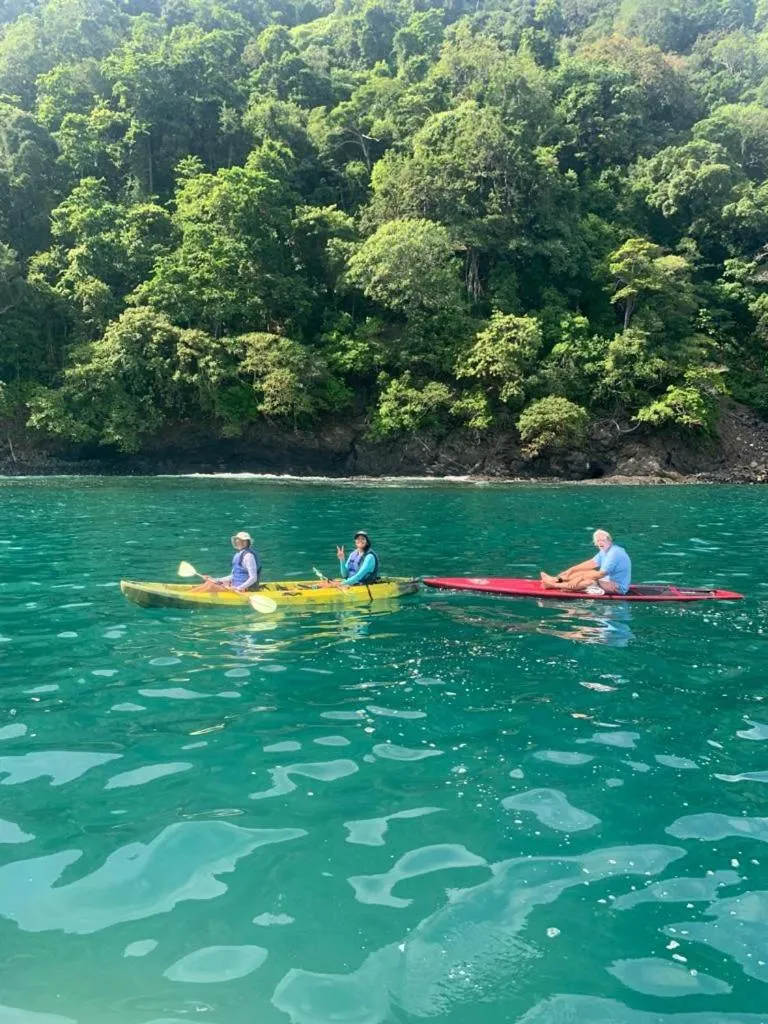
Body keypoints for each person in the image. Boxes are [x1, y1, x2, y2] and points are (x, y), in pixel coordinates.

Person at [540, 529, 631, 595]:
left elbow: (600, 574)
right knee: (580, 572)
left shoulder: (614, 553)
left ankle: (553, 585)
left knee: (591, 581)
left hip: (617, 587)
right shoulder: (604, 551)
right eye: (598, 541)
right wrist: (572, 569)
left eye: (603, 540)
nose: (600, 543)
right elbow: (592, 563)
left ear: (609, 541)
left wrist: (580, 578)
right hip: (605, 581)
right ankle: (555, 579)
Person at [194, 531, 262, 592]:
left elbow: (253, 578)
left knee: (211, 586)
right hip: (234, 585)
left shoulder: (249, 556)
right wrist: (215, 579)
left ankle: (190, 596)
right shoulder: (238, 555)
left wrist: (238, 588)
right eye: (238, 540)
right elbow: (234, 576)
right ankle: (188, 594)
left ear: (247, 543)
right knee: (209, 583)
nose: (239, 542)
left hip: (244, 589)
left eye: (243, 541)